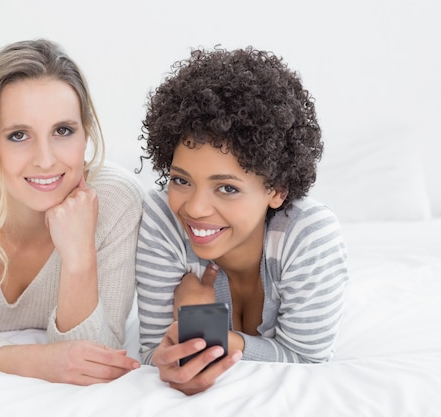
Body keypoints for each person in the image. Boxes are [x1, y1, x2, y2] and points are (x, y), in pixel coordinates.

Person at [0, 39, 144, 386]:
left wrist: (79, 258)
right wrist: (38, 362)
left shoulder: (118, 199)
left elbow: (95, 357)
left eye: (63, 131)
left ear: (86, 133)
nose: (46, 159)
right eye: (19, 135)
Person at [135, 46, 349, 395]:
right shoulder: (163, 220)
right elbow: (151, 355)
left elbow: (310, 363)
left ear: (277, 189)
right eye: (181, 180)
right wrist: (185, 345)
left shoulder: (308, 236)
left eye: (227, 188)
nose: (195, 208)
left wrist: (208, 329)